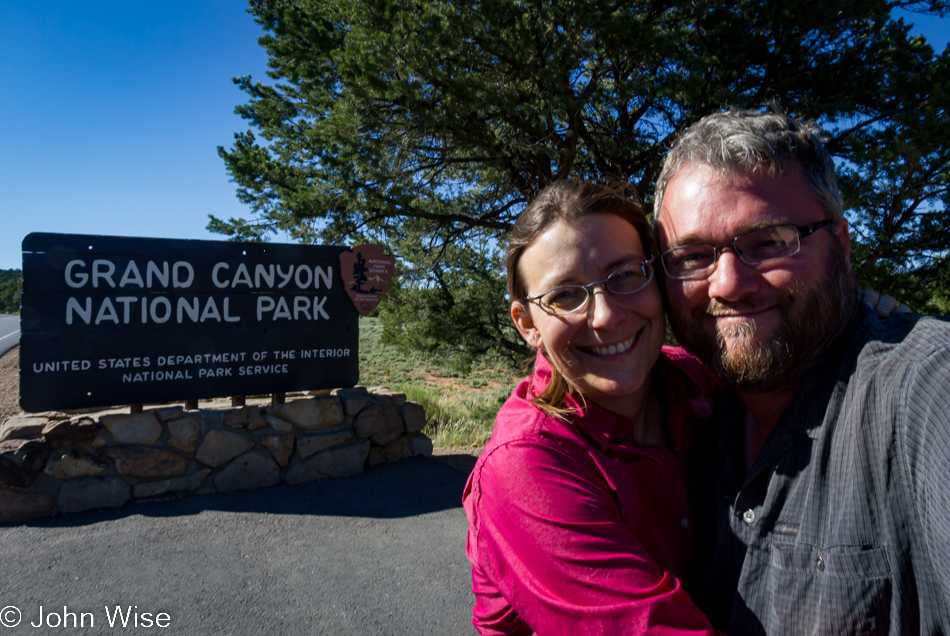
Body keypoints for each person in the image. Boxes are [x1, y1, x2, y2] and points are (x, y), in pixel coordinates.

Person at [653, 108, 950, 635]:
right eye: (694, 255)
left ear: (840, 244)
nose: (727, 284)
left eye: (769, 241)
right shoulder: (682, 411)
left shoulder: (924, 389)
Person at [462, 180, 722, 634]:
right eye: (564, 295)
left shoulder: (694, 381)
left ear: (657, 278)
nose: (604, 315)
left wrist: (869, 322)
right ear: (527, 325)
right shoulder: (526, 467)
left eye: (625, 275)